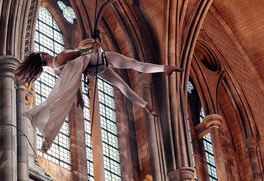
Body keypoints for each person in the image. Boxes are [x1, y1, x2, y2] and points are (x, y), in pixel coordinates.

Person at [15, 39, 180, 152]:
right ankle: (164, 68)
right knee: (134, 65)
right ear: (43, 57)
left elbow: (72, 81)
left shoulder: (57, 70)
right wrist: (90, 49)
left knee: (122, 86)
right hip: (100, 60)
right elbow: (76, 55)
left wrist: (79, 96)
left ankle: (147, 106)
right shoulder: (58, 59)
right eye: (46, 54)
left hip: (95, 69)